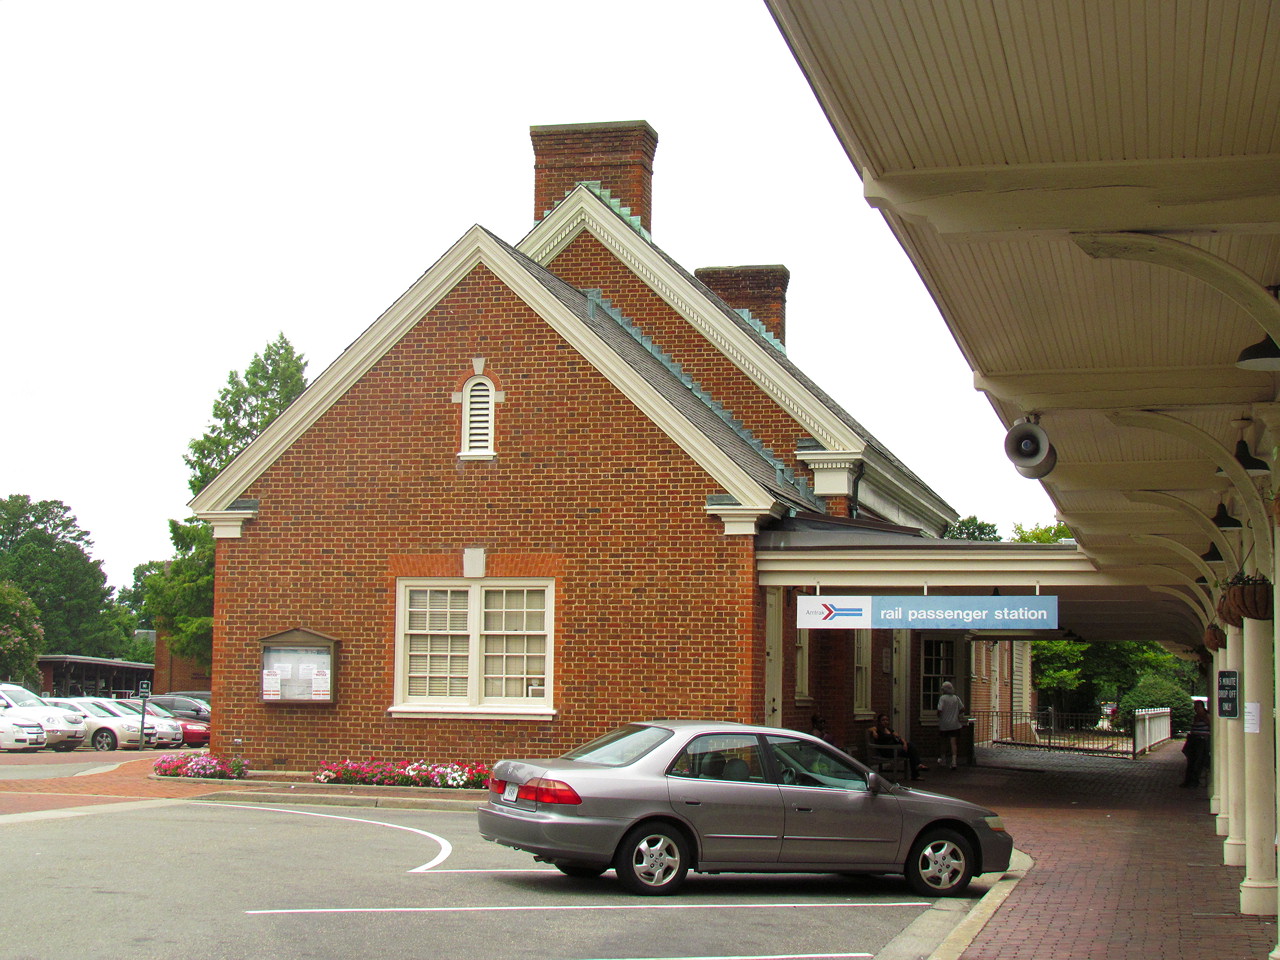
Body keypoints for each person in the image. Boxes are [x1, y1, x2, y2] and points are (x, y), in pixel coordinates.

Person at [871, 713, 927, 780]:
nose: (885, 722)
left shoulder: (889, 730)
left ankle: (916, 773)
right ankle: (917, 769)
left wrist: (904, 744)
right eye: (883, 720)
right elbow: (870, 729)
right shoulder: (877, 730)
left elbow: (899, 737)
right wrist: (874, 731)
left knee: (911, 751)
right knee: (911, 749)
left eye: (887, 720)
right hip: (887, 751)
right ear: (879, 722)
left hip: (895, 750)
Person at [1182, 700, 1211, 787]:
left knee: (1198, 760)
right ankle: (1188, 780)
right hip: (1193, 738)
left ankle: (1194, 780)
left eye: (1197, 707)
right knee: (1191, 760)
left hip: (1202, 740)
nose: (1196, 709)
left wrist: (1203, 719)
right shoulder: (1195, 716)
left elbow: (1210, 725)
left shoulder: (1207, 715)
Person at [937, 681, 965, 769]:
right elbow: (963, 708)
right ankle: (954, 761)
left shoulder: (942, 698)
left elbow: (939, 710)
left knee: (943, 742)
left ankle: (943, 760)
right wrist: (956, 714)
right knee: (953, 743)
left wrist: (939, 715)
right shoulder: (956, 698)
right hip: (955, 724)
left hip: (944, 724)